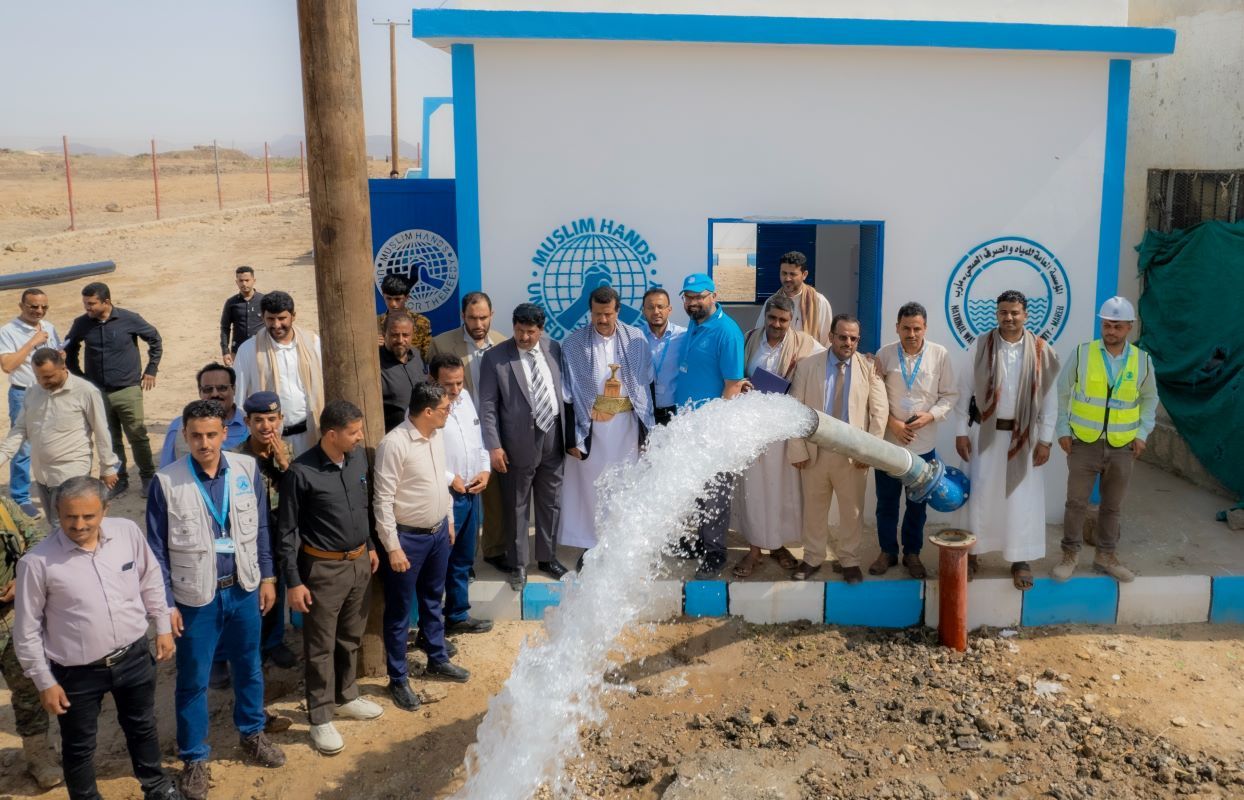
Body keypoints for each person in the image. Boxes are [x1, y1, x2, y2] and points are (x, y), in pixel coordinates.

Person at [146, 400, 285, 800]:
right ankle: (194, 758)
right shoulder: (167, 482)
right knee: (193, 681)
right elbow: (156, 551)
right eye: (196, 436)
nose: (204, 443)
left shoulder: (246, 470)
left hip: (243, 587)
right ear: (185, 436)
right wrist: (167, 605)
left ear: (226, 433)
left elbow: (260, 528)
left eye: (211, 434)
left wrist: (268, 576)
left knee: (249, 666)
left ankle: (252, 733)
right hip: (195, 597)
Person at [14, 476, 182, 800]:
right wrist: (44, 681)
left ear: (104, 510)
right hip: (77, 674)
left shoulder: (127, 533)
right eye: (69, 517)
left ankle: (158, 788)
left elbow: (149, 577)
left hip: (134, 658)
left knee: (142, 727)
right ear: (56, 512)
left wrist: (162, 626)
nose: (78, 525)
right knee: (79, 745)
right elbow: (27, 630)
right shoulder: (36, 563)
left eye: (88, 516)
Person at [277, 400, 383, 753]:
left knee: (350, 635)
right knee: (320, 646)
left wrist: (368, 545)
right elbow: (287, 532)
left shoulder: (357, 461)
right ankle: (320, 717)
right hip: (321, 571)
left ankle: (346, 695)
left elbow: (363, 507)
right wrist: (293, 581)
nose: (360, 438)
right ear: (331, 434)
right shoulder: (300, 473)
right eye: (354, 433)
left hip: (358, 564)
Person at [373, 383, 471, 712]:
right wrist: (393, 547)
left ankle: (437, 658)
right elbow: (382, 500)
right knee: (400, 611)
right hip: (407, 539)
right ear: (427, 412)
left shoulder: (436, 435)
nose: (449, 412)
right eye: (445, 408)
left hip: (438, 534)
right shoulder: (394, 444)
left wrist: (449, 522)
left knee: (434, 599)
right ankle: (398, 678)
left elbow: (437, 483)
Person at [954, 290, 1060, 592]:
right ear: (997, 314)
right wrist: (961, 430)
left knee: (1021, 501)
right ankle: (972, 553)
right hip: (985, 436)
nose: (1009, 318)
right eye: (1003, 312)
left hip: (1025, 439)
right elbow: (964, 391)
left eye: (1015, 312)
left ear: (1026, 314)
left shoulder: (1041, 350)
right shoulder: (981, 345)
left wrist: (1046, 440)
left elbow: (1050, 401)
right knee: (980, 494)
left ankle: (1020, 558)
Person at [1052, 296, 1157, 583]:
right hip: (1083, 443)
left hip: (1123, 446)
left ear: (1130, 328)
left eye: (1118, 326)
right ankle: (1070, 555)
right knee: (1076, 503)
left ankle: (1106, 556)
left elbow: (1150, 400)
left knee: (1112, 506)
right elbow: (1062, 392)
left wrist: (1141, 434)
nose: (1111, 331)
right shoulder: (1083, 353)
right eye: (1107, 325)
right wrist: (1063, 429)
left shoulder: (1142, 361)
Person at [787, 314, 888, 583]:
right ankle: (812, 558)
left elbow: (879, 414)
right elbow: (795, 409)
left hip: (853, 455)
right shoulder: (808, 366)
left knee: (851, 511)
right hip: (815, 451)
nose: (848, 342)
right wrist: (797, 449)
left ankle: (849, 561)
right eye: (842, 337)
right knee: (814, 509)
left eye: (854, 338)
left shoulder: (869, 368)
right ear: (830, 337)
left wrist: (869, 451)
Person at [559, 286, 655, 567]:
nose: (602, 320)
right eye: (597, 314)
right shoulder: (573, 343)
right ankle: (591, 545)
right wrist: (575, 435)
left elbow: (646, 383)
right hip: (590, 428)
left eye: (608, 314)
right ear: (590, 312)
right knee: (591, 487)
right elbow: (567, 394)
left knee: (626, 484)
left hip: (626, 425)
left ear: (618, 311)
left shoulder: (636, 338)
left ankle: (622, 545)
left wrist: (646, 431)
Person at [730, 294, 823, 578]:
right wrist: (743, 385)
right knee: (754, 491)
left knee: (782, 490)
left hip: (783, 432)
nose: (777, 324)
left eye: (783, 320)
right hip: (752, 428)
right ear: (765, 317)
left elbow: (832, 357)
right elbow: (735, 374)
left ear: (791, 320)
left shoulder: (806, 344)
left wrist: (869, 361)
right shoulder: (748, 339)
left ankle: (779, 545)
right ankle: (755, 549)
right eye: (772, 318)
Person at [478, 303, 567, 589]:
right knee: (516, 505)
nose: (524, 337)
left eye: (530, 332)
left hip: (553, 436)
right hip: (515, 444)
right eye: (519, 331)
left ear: (541, 330)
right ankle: (518, 565)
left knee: (550, 502)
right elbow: (488, 406)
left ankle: (547, 557)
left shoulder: (554, 348)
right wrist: (494, 446)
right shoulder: (495, 358)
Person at [870, 302, 958, 579]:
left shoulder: (939, 355)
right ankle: (887, 551)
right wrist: (892, 424)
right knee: (886, 503)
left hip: (923, 447)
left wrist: (930, 416)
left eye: (917, 328)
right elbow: (874, 396)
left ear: (925, 328)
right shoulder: (884, 355)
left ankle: (912, 553)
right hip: (889, 445)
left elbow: (950, 395)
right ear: (897, 327)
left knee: (917, 505)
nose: (911, 334)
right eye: (906, 328)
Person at [428, 292, 509, 573]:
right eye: (473, 317)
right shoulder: (441, 344)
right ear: (463, 316)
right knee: (459, 494)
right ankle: (461, 556)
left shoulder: (501, 343)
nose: (478, 323)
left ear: (492, 315)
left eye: (484, 317)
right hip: (452, 429)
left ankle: (495, 549)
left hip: (492, 429)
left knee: (494, 493)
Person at [673, 273, 746, 579]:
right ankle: (703, 544)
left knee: (715, 492)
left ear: (714, 296)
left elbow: (732, 386)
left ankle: (716, 553)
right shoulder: (695, 324)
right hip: (688, 427)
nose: (692, 302)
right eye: (688, 297)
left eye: (698, 296)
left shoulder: (727, 332)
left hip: (711, 429)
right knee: (698, 491)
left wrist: (716, 430)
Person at [63, 282, 162, 500]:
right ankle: (119, 479)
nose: (87, 308)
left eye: (91, 304)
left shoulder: (129, 318)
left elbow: (155, 339)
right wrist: (80, 379)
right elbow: (69, 349)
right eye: (85, 303)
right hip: (97, 393)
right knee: (110, 439)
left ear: (106, 302)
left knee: (137, 434)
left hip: (128, 390)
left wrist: (151, 369)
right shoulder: (82, 323)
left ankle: (147, 477)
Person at [0, 348, 120, 528]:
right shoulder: (33, 391)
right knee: (56, 526)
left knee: (65, 527)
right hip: (42, 474)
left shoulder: (86, 391)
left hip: (71, 472)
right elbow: (20, 429)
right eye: (38, 376)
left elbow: (101, 430)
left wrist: (108, 467)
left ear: (63, 367)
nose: (43, 382)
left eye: (48, 377)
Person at [234, 392, 299, 670]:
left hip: (279, 529)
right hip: (248, 532)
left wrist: (284, 464)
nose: (266, 426)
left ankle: (274, 641)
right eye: (258, 420)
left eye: (272, 419)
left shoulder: (288, 451)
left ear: (281, 419)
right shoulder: (236, 456)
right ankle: (252, 643)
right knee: (251, 588)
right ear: (247, 422)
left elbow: (299, 493)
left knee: (278, 585)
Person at [429, 353, 493, 634]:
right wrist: (448, 479)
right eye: (448, 385)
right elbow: (422, 454)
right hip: (445, 496)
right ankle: (432, 628)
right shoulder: (424, 409)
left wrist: (485, 470)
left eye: (458, 383)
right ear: (433, 381)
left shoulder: (466, 399)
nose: (454, 390)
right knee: (441, 561)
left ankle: (457, 615)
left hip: (472, 490)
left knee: (464, 558)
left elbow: (478, 440)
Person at [0, 497, 60, 789]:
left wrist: (21, 575)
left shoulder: (3, 508)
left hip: (12, 620)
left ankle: (39, 758)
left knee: (27, 692)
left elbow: (37, 539)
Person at [233, 291, 324, 457]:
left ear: (293, 316)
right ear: (263, 318)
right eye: (270, 319)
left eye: (282, 318)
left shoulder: (313, 343)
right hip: (269, 439)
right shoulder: (248, 350)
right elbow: (239, 399)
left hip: (310, 434)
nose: (276, 325)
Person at [0, 288, 61, 518]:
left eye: (44, 307)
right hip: (23, 394)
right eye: (33, 306)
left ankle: (55, 491)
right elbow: (7, 365)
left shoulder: (50, 327)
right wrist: (32, 341)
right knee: (22, 447)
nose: (39, 311)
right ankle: (21, 497)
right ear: (21, 306)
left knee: (54, 442)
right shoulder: (7, 331)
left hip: (51, 393)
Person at [160, 363, 249, 467]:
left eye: (222, 388)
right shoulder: (178, 427)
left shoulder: (251, 423)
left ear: (234, 389)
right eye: (208, 389)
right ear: (200, 392)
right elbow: (166, 470)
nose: (215, 394)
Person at [754, 251, 833, 346]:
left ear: (804, 275)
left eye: (792, 274)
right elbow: (759, 336)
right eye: (784, 273)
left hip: (810, 358)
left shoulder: (819, 302)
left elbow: (827, 342)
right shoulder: (772, 302)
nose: (787, 278)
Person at [640, 287, 686, 426]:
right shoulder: (634, 337)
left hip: (675, 415)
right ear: (643, 311)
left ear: (669, 309)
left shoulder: (684, 336)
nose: (656, 312)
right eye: (650, 307)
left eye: (660, 307)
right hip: (643, 415)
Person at [379, 314, 427, 432]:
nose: (400, 340)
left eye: (405, 335)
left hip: (422, 432)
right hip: (395, 436)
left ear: (412, 335)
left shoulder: (416, 355)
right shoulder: (375, 363)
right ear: (385, 334)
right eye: (394, 335)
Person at [376, 273, 433, 363]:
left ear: (407, 297)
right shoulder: (375, 323)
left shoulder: (421, 322)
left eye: (398, 299)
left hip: (412, 371)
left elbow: (426, 358)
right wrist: (371, 346)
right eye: (388, 298)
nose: (393, 304)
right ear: (383, 296)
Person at [219, 266, 265, 367]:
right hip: (238, 351)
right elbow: (225, 328)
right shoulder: (231, 303)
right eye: (241, 281)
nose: (244, 284)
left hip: (261, 350)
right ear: (237, 282)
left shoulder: (264, 301)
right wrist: (225, 351)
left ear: (254, 280)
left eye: (247, 280)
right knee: (239, 381)